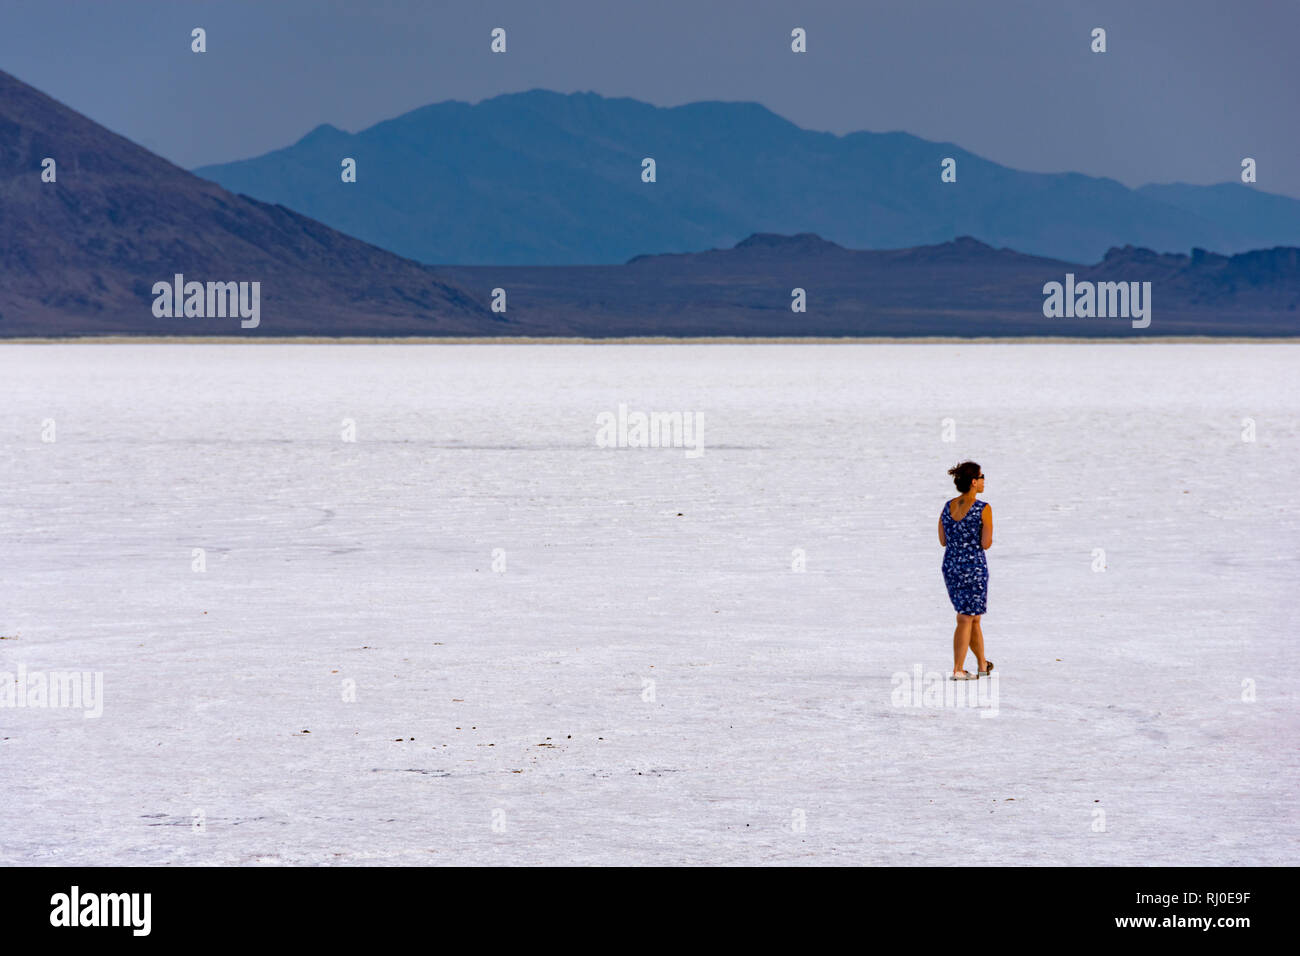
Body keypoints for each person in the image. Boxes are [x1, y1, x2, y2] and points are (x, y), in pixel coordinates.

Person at [938, 461, 993, 680]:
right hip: (974, 567)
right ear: (973, 481)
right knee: (965, 618)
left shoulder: (947, 506)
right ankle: (958, 669)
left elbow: (943, 540)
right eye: (981, 477)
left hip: (951, 566)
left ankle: (982, 664)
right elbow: (986, 543)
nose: (983, 481)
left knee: (972, 618)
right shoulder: (983, 508)